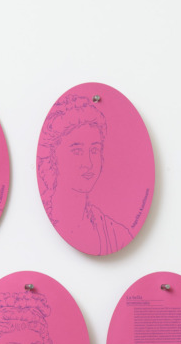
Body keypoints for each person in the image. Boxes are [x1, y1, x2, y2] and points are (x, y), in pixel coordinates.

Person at [37, 93, 132, 255]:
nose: (88, 163)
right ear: (52, 156)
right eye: (77, 151)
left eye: (94, 150)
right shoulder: (39, 229)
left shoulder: (115, 234)